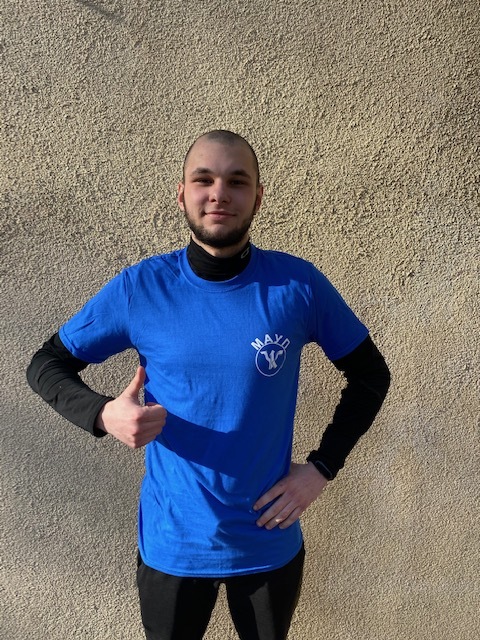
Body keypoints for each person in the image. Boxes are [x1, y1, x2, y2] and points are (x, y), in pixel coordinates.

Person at [27, 129, 390, 640]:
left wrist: (322, 468)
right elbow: (46, 364)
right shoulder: (141, 288)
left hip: (268, 541)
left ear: (257, 198)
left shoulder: (298, 286)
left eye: (237, 181)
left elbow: (371, 375)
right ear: (182, 194)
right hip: (174, 545)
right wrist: (104, 413)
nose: (219, 193)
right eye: (204, 180)